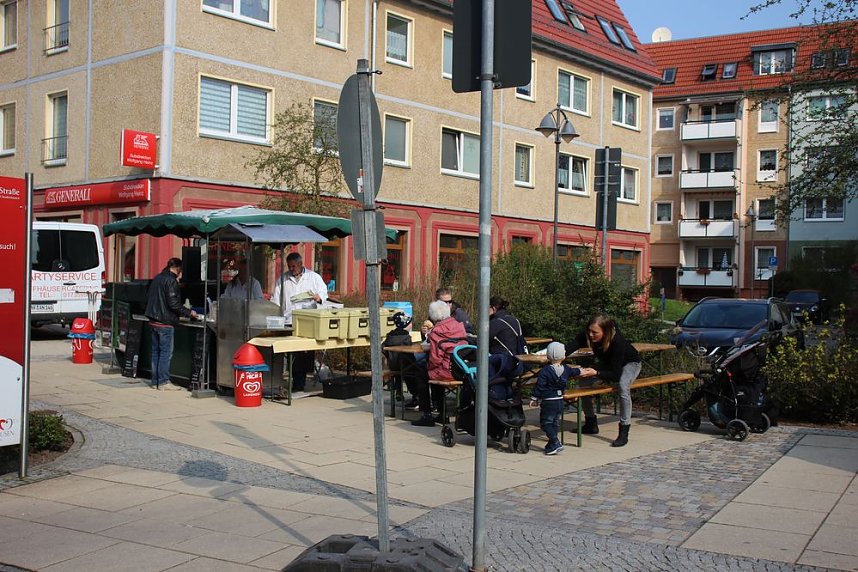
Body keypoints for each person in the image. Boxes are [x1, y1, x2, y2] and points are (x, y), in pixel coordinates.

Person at [566, 314, 642, 447]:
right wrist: (557, 356)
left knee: (623, 386)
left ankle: (624, 430)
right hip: (609, 365)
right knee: (583, 383)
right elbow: (573, 345)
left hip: (630, 363)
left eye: (595, 332)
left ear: (605, 331)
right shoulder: (589, 334)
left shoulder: (618, 342)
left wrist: (597, 372)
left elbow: (616, 374)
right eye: (589, 331)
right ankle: (591, 423)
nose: (590, 335)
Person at [272, 252, 328, 392]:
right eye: (289, 266)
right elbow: (276, 300)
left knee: (303, 353)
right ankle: (292, 381)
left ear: (300, 264)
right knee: (290, 352)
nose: (291, 269)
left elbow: (324, 293)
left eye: (294, 266)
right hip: (289, 319)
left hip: (307, 321)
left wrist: (318, 298)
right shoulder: (283, 279)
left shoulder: (313, 277)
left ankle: (299, 382)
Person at [411, 299, 468, 427]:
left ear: (433, 316)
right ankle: (442, 413)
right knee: (432, 371)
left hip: (447, 371)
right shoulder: (459, 325)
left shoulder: (437, 331)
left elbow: (435, 359)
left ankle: (427, 414)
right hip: (461, 368)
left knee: (422, 372)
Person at [530, 342, 592, 455]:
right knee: (554, 422)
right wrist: (582, 371)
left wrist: (534, 398)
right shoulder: (566, 369)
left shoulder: (545, 371)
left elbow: (540, 386)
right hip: (560, 400)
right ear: (563, 356)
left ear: (548, 356)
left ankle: (555, 442)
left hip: (548, 401)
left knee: (545, 423)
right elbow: (575, 372)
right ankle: (551, 445)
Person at [144, 257, 197, 390]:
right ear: (177, 268)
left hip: (153, 320)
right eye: (181, 270)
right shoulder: (171, 280)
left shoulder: (157, 278)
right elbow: (174, 304)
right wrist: (189, 312)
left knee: (156, 352)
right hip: (165, 321)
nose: (181, 273)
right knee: (166, 353)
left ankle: (155, 380)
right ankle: (163, 382)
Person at [487, 296, 524, 399]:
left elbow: (482, 341)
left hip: (502, 363)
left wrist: (466, 337)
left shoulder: (495, 323)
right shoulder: (514, 320)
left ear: (493, 308)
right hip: (517, 363)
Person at [382, 312, 420, 409]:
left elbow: (383, 349)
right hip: (406, 365)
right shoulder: (406, 337)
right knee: (417, 370)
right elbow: (409, 353)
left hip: (393, 364)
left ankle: (399, 391)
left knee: (398, 372)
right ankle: (417, 395)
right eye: (410, 322)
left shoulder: (390, 336)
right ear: (406, 324)